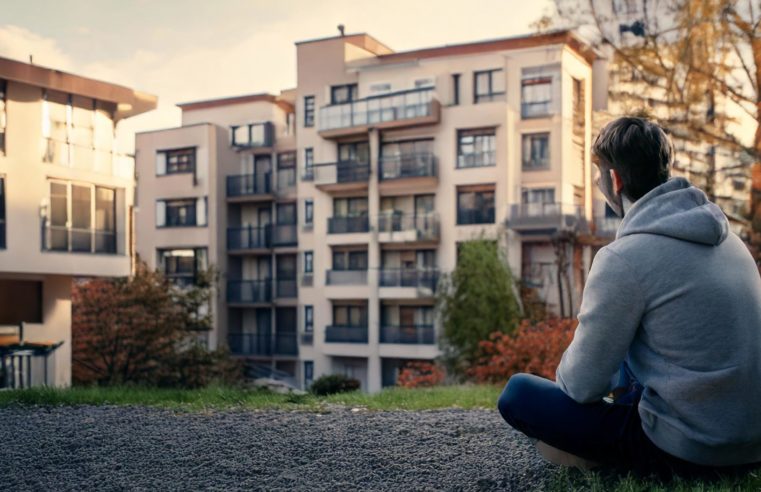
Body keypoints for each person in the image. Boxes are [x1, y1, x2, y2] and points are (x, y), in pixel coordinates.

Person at [497, 116, 761, 477]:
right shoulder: (731, 242)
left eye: (599, 175)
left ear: (615, 179)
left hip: (692, 449)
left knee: (518, 393)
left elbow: (580, 386)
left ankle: (609, 458)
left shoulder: (624, 258)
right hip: (751, 441)